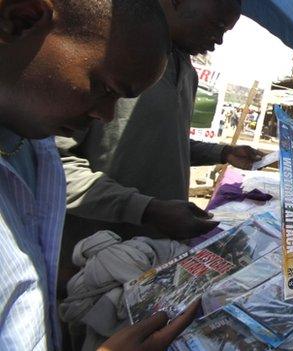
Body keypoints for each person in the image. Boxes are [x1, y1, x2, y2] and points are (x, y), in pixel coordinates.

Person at [0, 0, 199, 350]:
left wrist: (81, 282)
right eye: (104, 88)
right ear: (22, 20)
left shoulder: (32, 148)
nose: (107, 115)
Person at [55, 0, 262, 294]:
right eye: (217, 26)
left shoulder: (187, 71)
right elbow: (53, 167)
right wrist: (147, 209)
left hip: (154, 256)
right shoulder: (112, 55)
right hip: (92, 260)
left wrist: (222, 153)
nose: (218, 40)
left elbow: (164, 141)